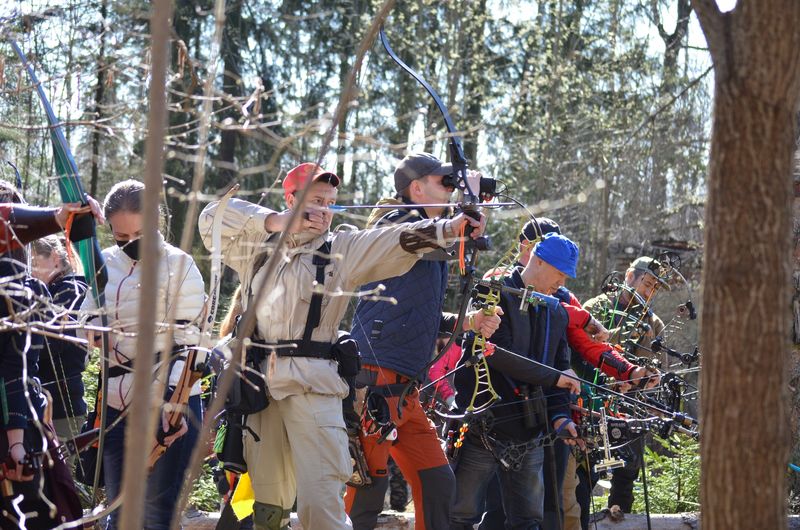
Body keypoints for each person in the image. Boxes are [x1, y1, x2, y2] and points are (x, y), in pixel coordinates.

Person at [198, 161, 485, 530]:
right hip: (259, 391)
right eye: (316, 200)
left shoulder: (342, 248)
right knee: (266, 510)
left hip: (314, 388)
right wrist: (278, 222)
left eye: (331, 201)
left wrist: (450, 227)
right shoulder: (255, 246)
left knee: (322, 509)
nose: (324, 210)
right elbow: (212, 217)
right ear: (290, 200)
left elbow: (397, 240)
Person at [344, 152, 499, 530]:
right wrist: (468, 212)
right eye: (444, 183)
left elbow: (425, 315)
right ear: (416, 189)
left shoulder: (433, 238)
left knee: (437, 483)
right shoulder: (396, 225)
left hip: (405, 388)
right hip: (377, 381)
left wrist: (471, 322)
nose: (451, 190)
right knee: (367, 486)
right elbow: (432, 237)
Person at [82, 180, 206, 530]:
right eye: (121, 238)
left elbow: (189, 340)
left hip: (170, 403)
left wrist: (172, 405)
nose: (130, 244)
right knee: (118, 511)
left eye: (139, 233)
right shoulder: (103, 264)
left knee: (156, 514)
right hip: (117, 404)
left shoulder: (181, 265)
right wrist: (91, 326)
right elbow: (84, 314)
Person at [449, 232, 583, 530]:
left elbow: (562, 366)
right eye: (559, 273)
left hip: (528, 432)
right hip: (482, 427)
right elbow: (499, 353)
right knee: (460, 514)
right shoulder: (494, 292)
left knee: (527, 520)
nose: (562, 282)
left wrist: (561, 416)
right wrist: (557, 378)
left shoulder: (557, 309)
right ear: (537, 260)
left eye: (567, 276)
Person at [0, 183, 103, 529]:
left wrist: (17, 440)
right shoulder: (20, 287)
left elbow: (18, 364)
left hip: (30, 416)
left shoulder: (28, 289)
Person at [581, 256, 667, 518]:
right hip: (594, 404)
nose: (649, 291)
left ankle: (620, 519)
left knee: (627, 475)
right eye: (647, 283)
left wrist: (646, 380)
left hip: (631, 409)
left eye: (655, 288)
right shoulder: (596, 308)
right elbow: (580, 351)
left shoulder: (654, 324)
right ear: (630, 276)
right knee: (584, 473)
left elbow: (657, 369)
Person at [30, 235, 89, 469]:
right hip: (34, 405)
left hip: (63, 409)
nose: (28, 270)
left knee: (59, 486)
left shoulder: (73, 290)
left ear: (55, 258)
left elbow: (52, 341)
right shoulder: (39, 292)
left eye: (33, 262)